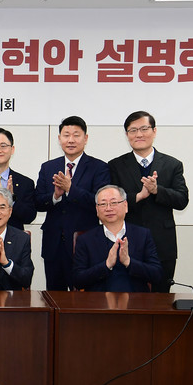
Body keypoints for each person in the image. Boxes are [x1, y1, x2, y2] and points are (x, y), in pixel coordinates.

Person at [108, 110, 189, 293]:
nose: (139, 134)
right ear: (127, 134)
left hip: (162, 243)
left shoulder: (172, 164)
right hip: (128, 241)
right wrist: (138, 196)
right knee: (128, 297)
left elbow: (182, 200)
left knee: (161, 298)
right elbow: (111, 202)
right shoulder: (115, 165)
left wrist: (157, 190)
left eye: (144, 129)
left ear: (154, 131)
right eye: (133, 130)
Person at [35, 115, 110, 291]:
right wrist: (55, 196)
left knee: (85, 297)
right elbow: (37, 202)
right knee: (54, 296)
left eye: (76, 135)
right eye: (66, 135)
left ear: (85, 138)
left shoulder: (99, 167)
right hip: (54, 245)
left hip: (85, 242)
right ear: (59, 138)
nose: (71, 140)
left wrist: (71, 189)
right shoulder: (48, 167)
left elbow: (100, 202)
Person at [73, 185, 162, 292]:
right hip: (99, 301)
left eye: (114, 203)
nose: (108, 208)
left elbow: (157, 275)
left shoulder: (142, 235)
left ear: (125, 206)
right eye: (103, 204)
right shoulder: (85, 239)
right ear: (97, 209)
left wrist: (128, 262)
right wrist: (106, 265)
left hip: (136, 300)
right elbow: (77, 280)